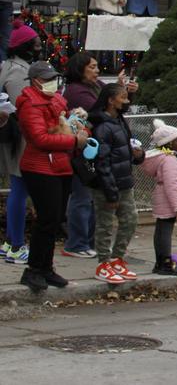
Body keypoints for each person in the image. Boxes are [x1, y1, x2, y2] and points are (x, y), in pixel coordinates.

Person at [17, 61, 88, 292]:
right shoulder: (30, 104)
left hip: (59, 165)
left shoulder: (56, 101)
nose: (52, 83)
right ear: (36, 80)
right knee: (47, 219)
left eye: (53, 78)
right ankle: (34, 270)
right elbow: (39, 139)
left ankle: (45, 267)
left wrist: (80, 125)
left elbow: (70, 123)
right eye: (47, 79)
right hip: (39, 167)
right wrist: (72, 140)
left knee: (55, 219)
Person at [61, 52, 138, 259]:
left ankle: (91, 242)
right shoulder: (77, 92)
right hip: (86, 152)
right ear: (80, 69)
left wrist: (124, 91)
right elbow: (100, 108)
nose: (97, 71)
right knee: (83, 198)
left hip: (101, 150)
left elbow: (114, 103)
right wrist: (117, 94)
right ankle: (76, 243)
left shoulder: (97, 87)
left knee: (94, 202)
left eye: (97, 67)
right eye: (92, 67)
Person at [88, 83, 144, 285]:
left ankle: (117, 258)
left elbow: (126, 150)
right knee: (105, 225)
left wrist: (138, 156)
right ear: (111, 101)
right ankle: (103, 263)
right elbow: (102, 162)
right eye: (123, 97)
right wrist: (110, 192)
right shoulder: (103, 127)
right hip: (108, 186)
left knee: (130, 220)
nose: (127, 101)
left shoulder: (119, 121)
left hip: (124, 183)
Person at [0, 20, 40, 265]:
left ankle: (9, 242)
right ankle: (16, 245)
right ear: (24, 46)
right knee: (19, 188)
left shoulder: (13, 66)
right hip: (21, 136)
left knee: (19, 187)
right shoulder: (17, 70)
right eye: (35, 44)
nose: (39, 47)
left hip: (18, 134)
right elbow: (21, 105)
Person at [140, 119, 177, 276]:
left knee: (160, 230)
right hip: (169, 202)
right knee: (165, 232)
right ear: (169, 144)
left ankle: (160, 262)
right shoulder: (170, 160)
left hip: (162, 198)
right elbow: (171, 185)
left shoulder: (163, 159)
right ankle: (166, 263)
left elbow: (170, 179)